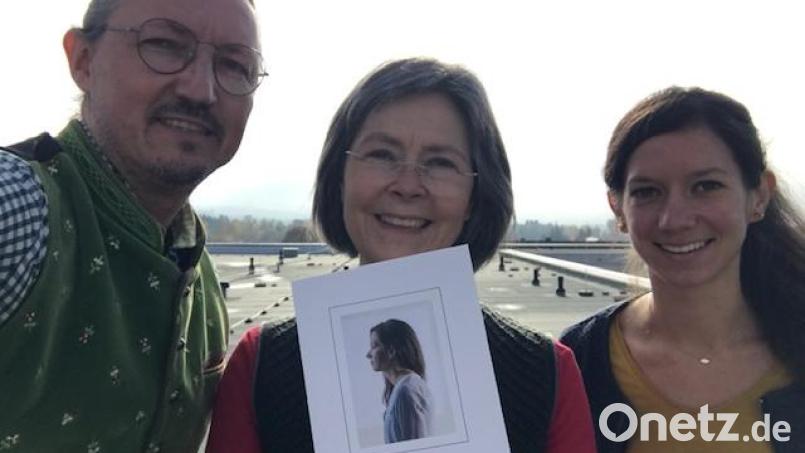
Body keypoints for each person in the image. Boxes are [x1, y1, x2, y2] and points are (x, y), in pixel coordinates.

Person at [206, 57, 596, 453]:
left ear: (475, 198)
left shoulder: (546, 372)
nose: (408, 185)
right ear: (340, 178)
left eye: (440, 163)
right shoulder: (261, 364)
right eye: (381, 155)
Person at [0, 0, 265, 450]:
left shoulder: (199, 277)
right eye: (163, 44)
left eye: (235, 65)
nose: (201, 90)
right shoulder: (18, 206)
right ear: (83, 60)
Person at [561, 87, 805, 452]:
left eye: (706, 186)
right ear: (618, 209)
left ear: (759, 197)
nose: (674, 219)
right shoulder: (576, 364)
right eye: (647, 192)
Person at [367, 319, 434, 444]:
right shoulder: (405, 388)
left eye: (374, 346)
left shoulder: (407, 390)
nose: (368, 354)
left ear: (391, 351)